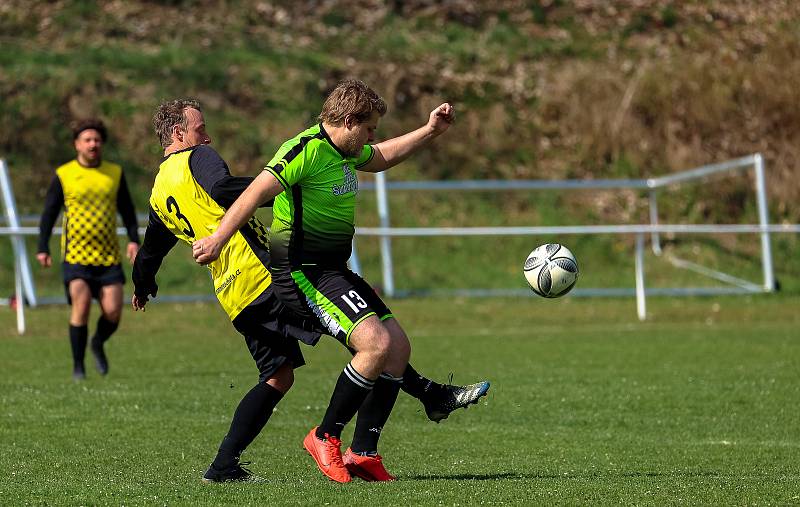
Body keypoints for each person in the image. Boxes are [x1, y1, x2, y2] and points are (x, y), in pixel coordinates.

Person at [134, 98, 489, 483]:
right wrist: (278, 184)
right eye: (201, 130)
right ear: (177, 134)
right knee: (370, 341)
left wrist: (142, 284)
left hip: (235, 296)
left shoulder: (157, 191)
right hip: (269, 275)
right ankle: (418, 401)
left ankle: (223, 465)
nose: (208, 137)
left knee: (278, 377)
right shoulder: (197, 159)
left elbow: (153, 245)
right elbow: (224, 189)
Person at [37, 118, 140, 380]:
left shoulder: (114, 173)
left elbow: (127, 210)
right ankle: (78, 367)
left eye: (97, 139)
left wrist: (133, 239)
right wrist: (42, 247)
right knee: (80, 306)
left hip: (108, 257)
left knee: (114, 311)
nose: (93, 144)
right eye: (87, 140)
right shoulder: (64, 174)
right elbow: (49, 213)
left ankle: (97, 343)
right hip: (76, 257)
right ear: (77, 144)